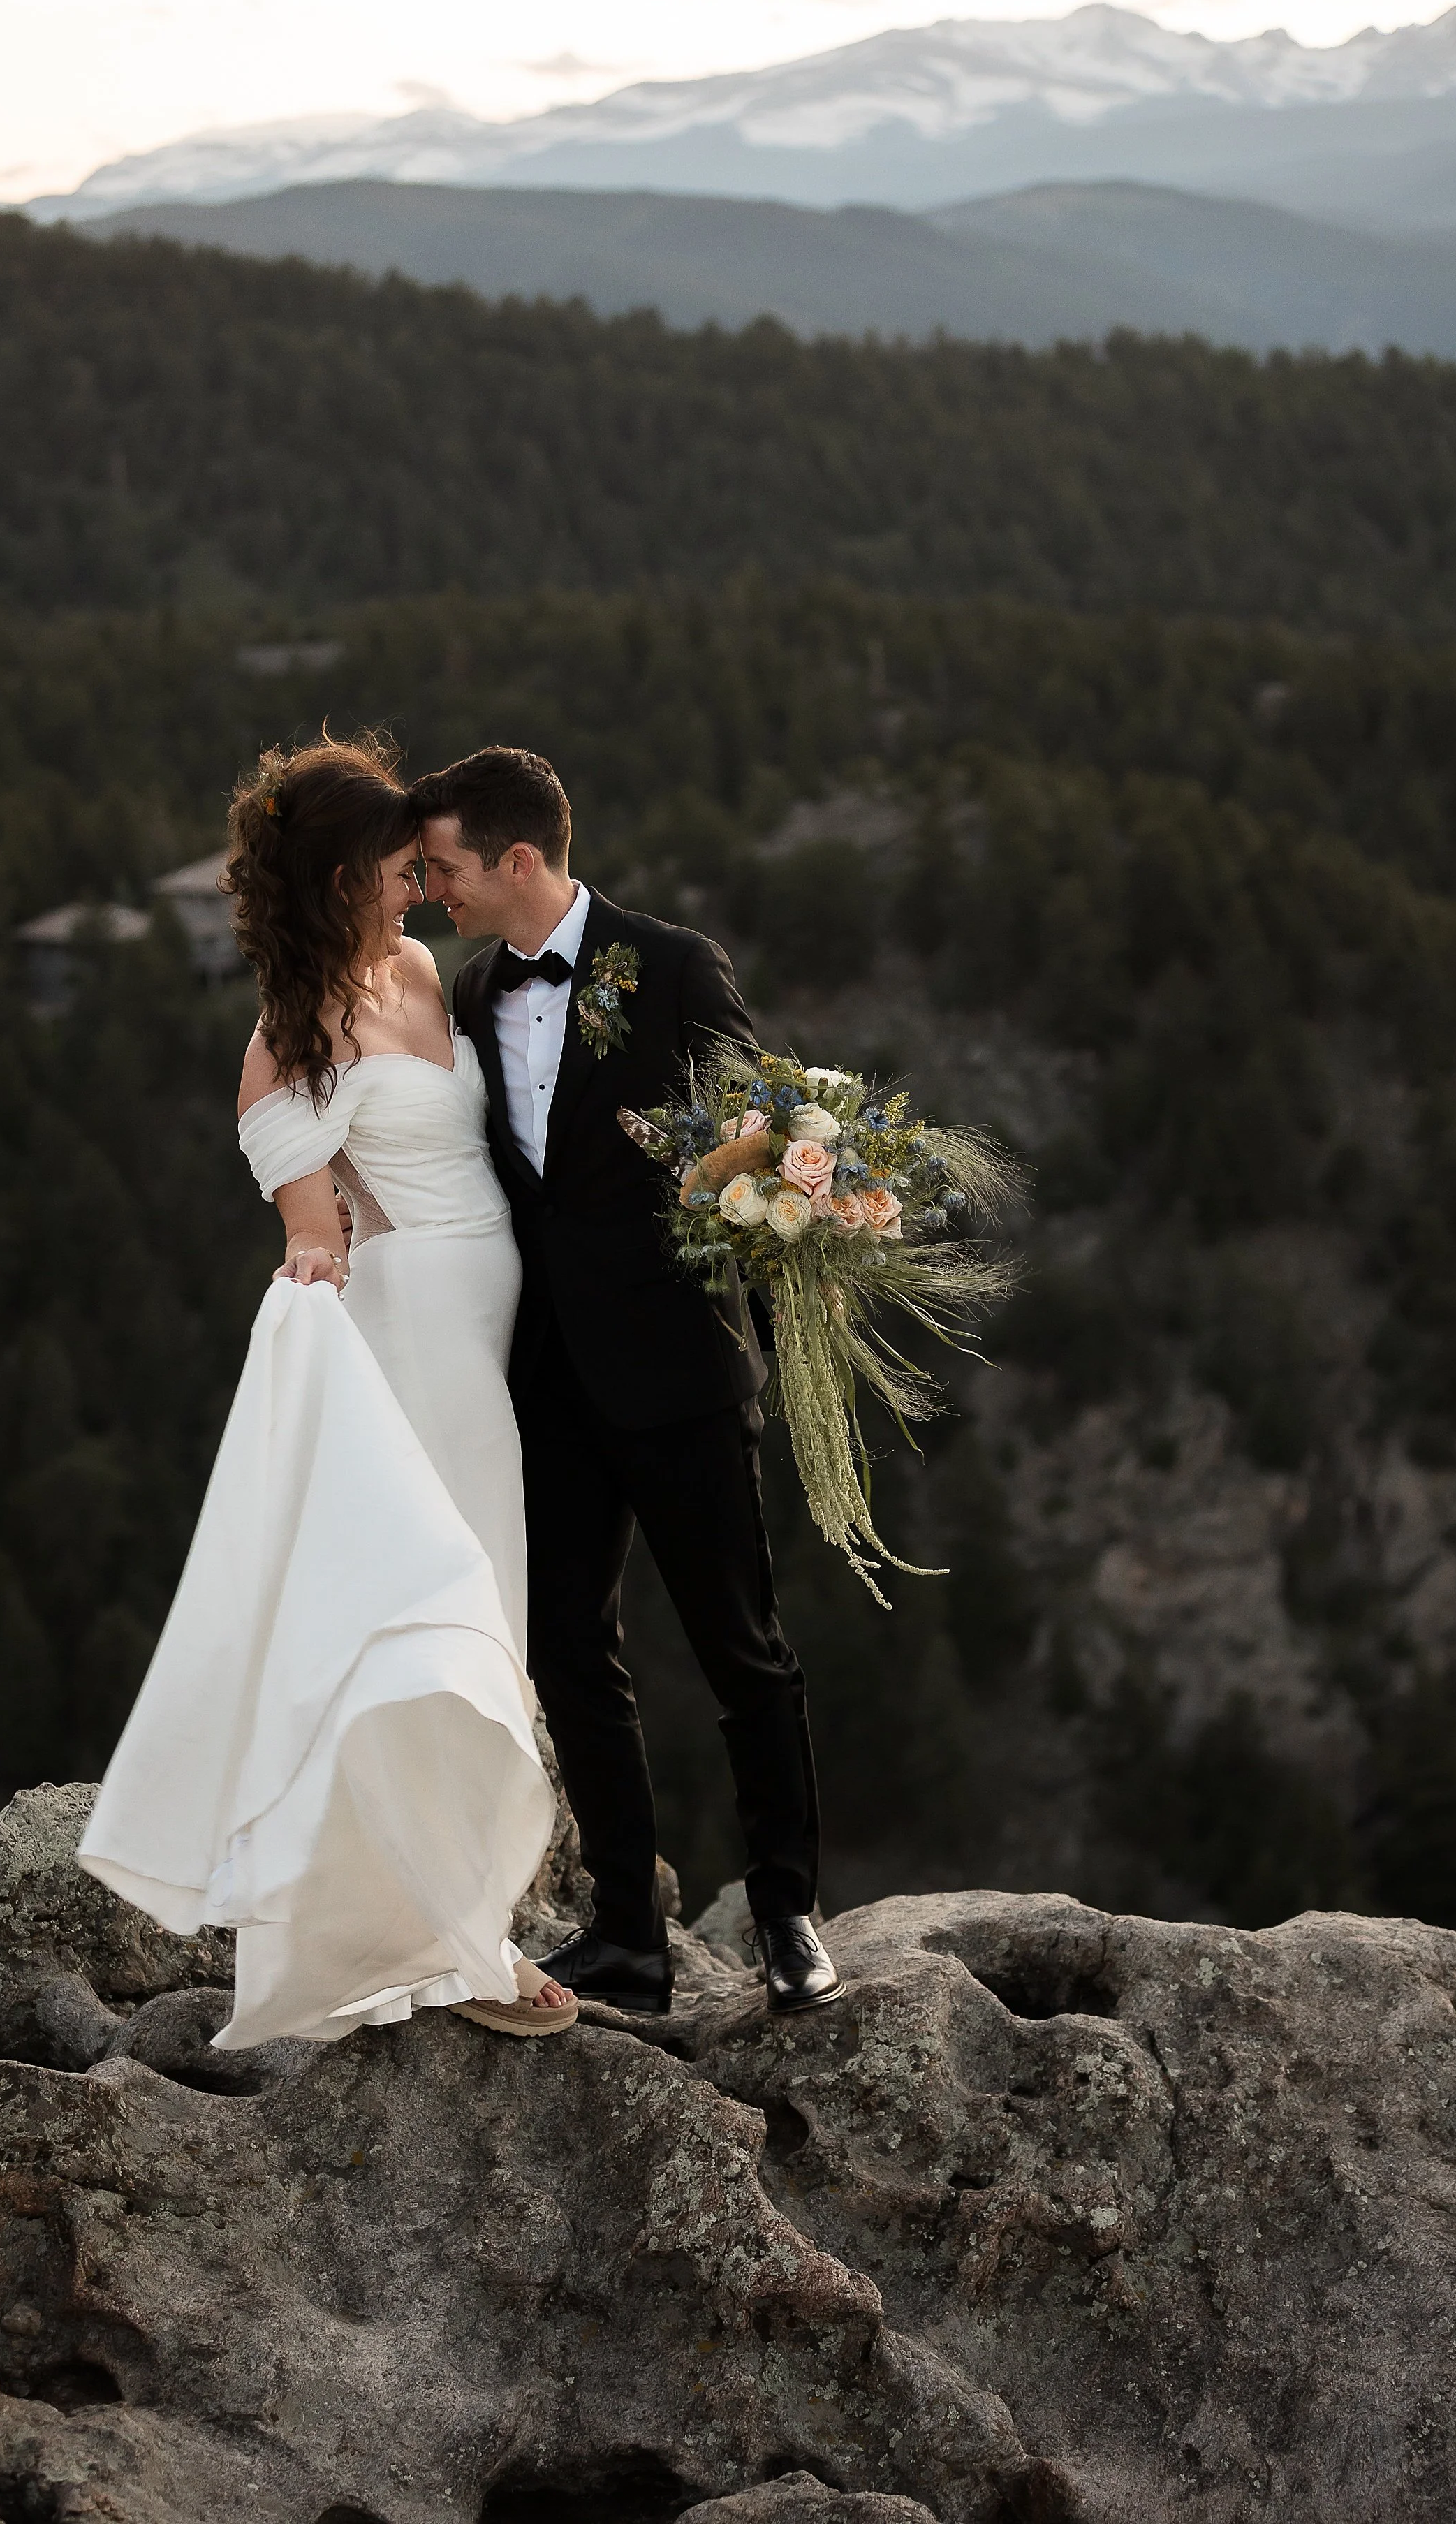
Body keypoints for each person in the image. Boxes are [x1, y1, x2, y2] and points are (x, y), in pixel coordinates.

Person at [78, 735, 575, 2044]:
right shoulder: (287, 1040)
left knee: (499, 1626)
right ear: (344, 879)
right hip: (416, 1343)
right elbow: (313, 1223)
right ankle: (469, 1942)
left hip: (496, 1334)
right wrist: (310, 1252)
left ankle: (468, 1914)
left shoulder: (421, 970)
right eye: (402, 873)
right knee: (442, 1633)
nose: (422, 893)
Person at [413, 747, 843, 2018]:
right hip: (544, 1380)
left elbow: (760, 1145)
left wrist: (775, 1348)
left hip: (682, 1371)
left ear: (519, 860)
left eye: (444, 868)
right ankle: (624, 1934)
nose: (434, 889)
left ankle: (787, 1913)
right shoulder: (470, 988)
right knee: (567, 1646)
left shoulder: (674, 964)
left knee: (741, 1648)